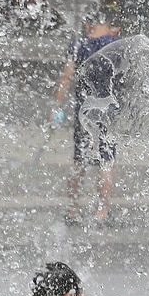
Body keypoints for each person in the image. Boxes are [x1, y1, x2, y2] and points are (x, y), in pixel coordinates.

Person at [51, 12, 122, 224]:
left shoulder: (78, 43)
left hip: (84, 111)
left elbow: (66, 75)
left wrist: (56, 105)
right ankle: (101, 213)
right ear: (114, 27)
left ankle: (73, 211)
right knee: (106, 162)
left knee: (79, 161)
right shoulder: (118, 44)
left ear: (88, 24)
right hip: (109, 112)